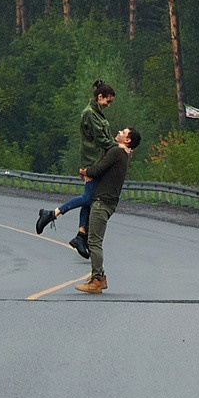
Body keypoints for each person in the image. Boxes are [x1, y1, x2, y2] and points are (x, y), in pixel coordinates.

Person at [35, 80, 116, 257]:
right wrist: (120, 148)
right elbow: (101, 139)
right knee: (88, 197)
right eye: (108, 101)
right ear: (100, 97)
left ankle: (81, 235)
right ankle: (52, 214)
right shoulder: (89, 114)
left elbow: (106, 138)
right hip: (92, 161)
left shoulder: (98, 114)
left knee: (90, 199)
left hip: (98, 160)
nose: (108, 105)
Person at [74, 126, 139, 294]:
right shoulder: (122, 154)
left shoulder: (117, 152)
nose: (119, 132)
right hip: (108, 202)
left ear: (128, 140)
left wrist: (84, 171)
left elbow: (98, 169)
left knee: (94, 242)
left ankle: (96, 280)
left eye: (123, 132)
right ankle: (100, 278)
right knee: (94, 240)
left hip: (102, 202)